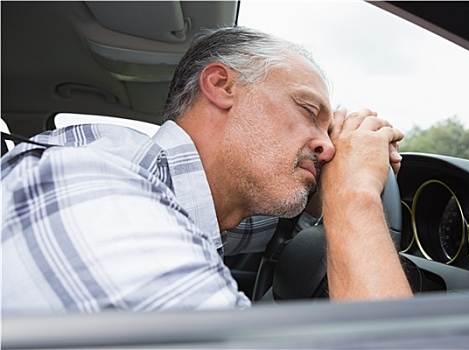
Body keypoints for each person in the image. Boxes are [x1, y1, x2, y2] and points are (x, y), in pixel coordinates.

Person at [1, 27, 411, 313]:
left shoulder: (190, 198)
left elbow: (274, 227)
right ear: (221, 86)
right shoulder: (96, 192)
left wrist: (329, 180)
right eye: (307, 110)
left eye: (329, 130)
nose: (326, 146)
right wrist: (353, 197)